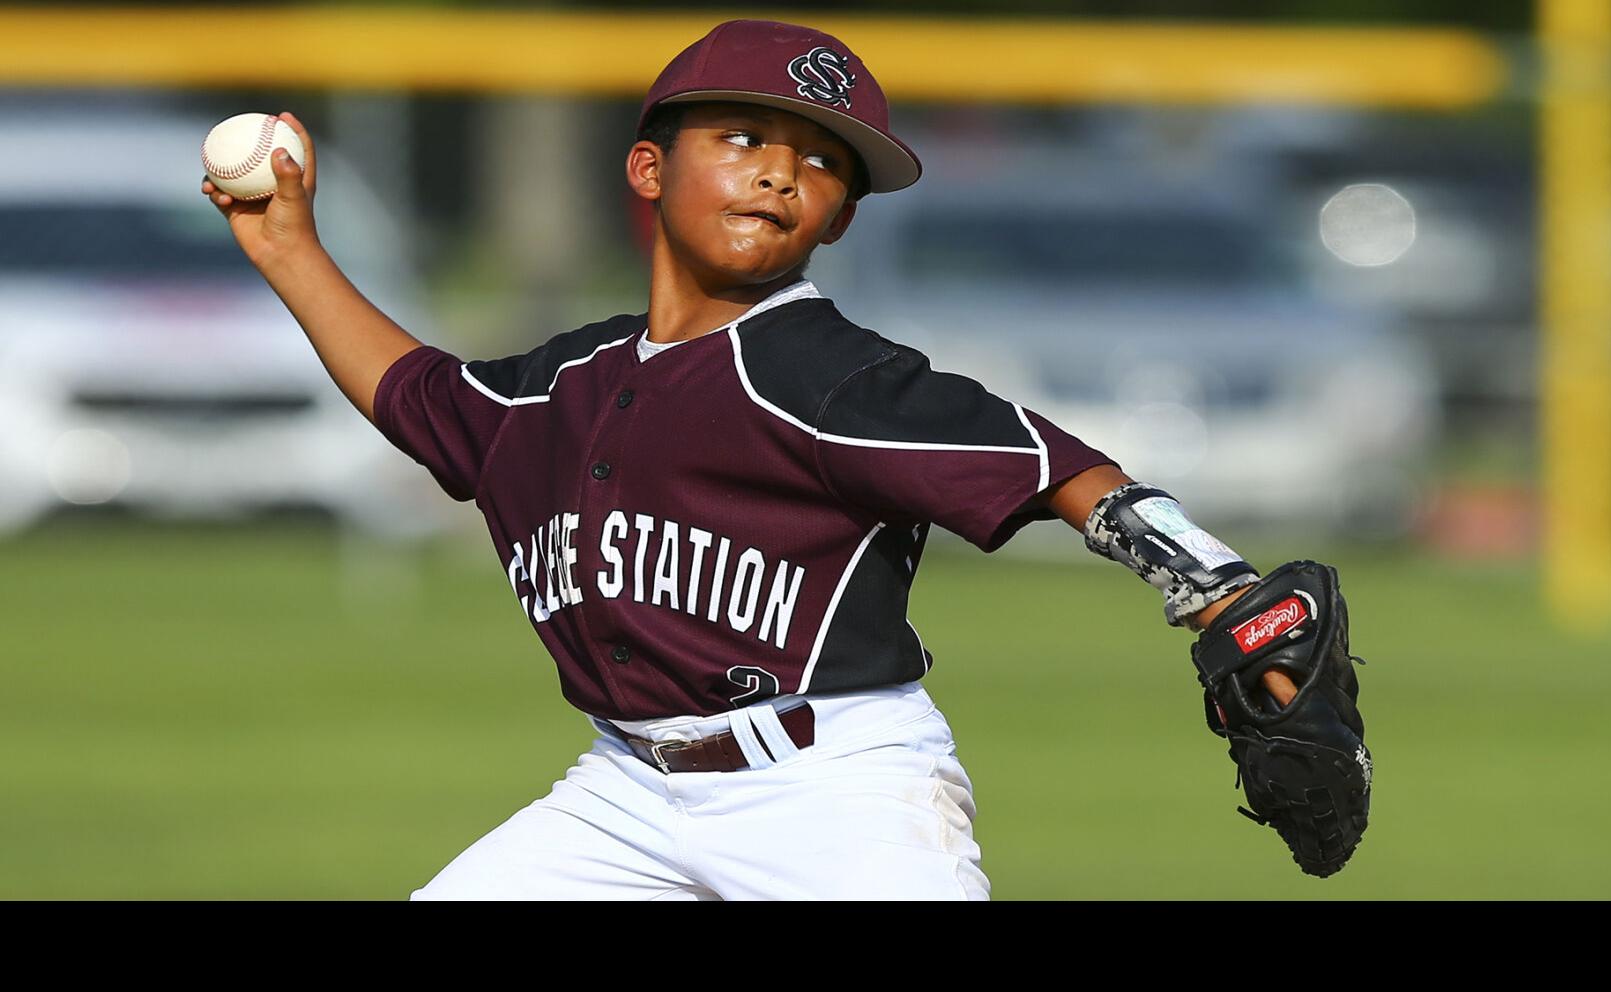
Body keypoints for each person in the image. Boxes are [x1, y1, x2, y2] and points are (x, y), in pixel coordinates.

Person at [204, 19, 1345, 900]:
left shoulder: (821, 373)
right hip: (625, 791)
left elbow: (1044, 461)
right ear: (648, 170)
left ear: (839, 219)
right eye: (743, 139)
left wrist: (1215, 587)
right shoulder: (566, 382)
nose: (777, 172)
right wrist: (288, 245)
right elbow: (425, 401)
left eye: (817, 162)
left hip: (836, 790)